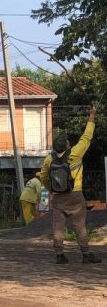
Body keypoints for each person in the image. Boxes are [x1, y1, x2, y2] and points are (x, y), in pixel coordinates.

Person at [39, 104, 101, 264]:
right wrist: (92, 116)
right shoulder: (75, 153)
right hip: (75, 195)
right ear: (67, 145)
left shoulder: (48, 159)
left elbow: (44, 177)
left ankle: (60, 255)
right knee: (79, 226)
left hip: (58, 197)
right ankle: (86, 255)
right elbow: (86, 137)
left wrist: (50, 189)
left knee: (58, 227)